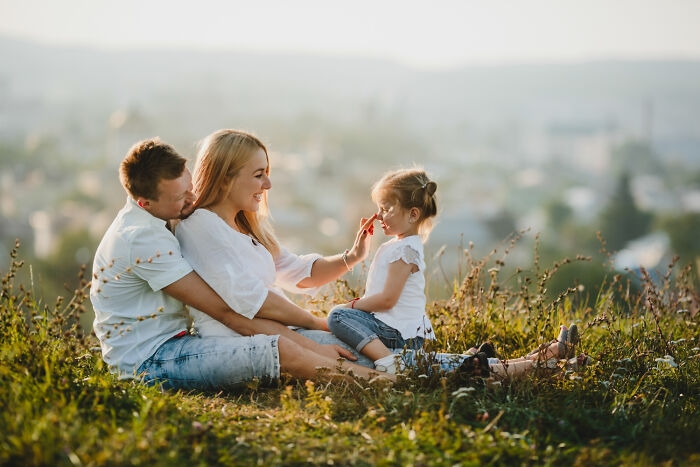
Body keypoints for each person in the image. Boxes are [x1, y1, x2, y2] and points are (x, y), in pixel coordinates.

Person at [174, 129, 586, 382]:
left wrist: (351, 257)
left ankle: (524, 365)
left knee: (384, 358)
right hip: (247, 342)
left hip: (278, 332)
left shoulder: (246, 228)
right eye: (258, 174)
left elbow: (296, 272)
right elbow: (250, 301)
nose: (269, 183)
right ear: (226, 176)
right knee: (379, 359)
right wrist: (322, 323)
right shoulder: (202, 227)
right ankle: (525, 367)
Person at [90, 138, 391, 391]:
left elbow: (293, 270)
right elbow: (224, 310)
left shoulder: (165, 218)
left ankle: (406, 370)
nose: (192, 199)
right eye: (180, 198)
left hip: (179, 342)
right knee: (279, 349)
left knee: (347, 343)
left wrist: (351, 258)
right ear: (146, 203)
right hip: (149, 359)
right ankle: (385, 384)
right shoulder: (142, 238)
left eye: (190, 186)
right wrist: (313, 329)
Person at [326, 168, 437, 374]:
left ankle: (389, 361)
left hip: (400, 334)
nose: (378, 216)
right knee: (339, 316)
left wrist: (351, 305)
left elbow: (387, 300)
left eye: (385, 209)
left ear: (413, 214)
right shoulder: (400, 245)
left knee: (337, 316)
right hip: (392, 327)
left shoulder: (405, 249)